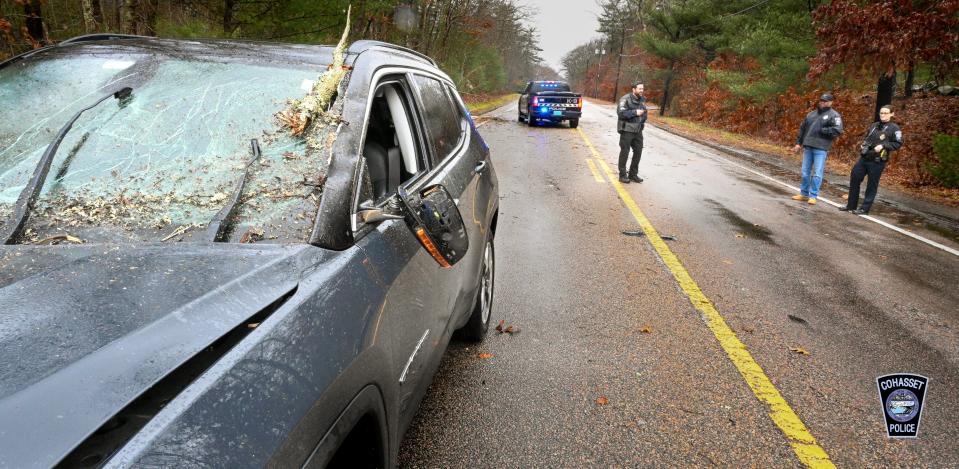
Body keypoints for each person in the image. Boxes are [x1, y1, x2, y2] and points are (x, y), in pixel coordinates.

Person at [840, 105, 902, 214]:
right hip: (865, 157)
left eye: (886, 113)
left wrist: (884, 146)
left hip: (877, 160)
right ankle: (851, 205)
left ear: (892, 114)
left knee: (871, 185)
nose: (883, 115)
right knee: (855, 177)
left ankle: (864, 208)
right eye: (881, 113)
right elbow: (867, 138)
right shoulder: (874, 125)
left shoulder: (894, 128)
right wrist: (863, 145)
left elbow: (898, 143)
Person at [791, 93, 843, 205]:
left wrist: (823, 130)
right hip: (808, 146)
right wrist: (798, 143)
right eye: (821, 100)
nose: (822, 102)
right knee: (805, 172)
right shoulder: (811, 114)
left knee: (817, 173)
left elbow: (837, 130)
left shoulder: (834, 115)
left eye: (825, 101)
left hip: (821, 148)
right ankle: (804, 194)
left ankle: (813, 195)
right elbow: (802, 129)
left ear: (830, 102)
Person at [616, 81, 648, 183]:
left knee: (638, 151)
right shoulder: (625, 99)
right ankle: (622, 175)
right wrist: (635, 112)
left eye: (642, 89)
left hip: (638, 130)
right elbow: (621, 114)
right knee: (625, 152)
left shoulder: (642, 100)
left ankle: (633, 174)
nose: (641, 90)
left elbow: (644, 113)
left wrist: (642, 116)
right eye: (639, 89)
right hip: (627, 130)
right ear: (633, 89)